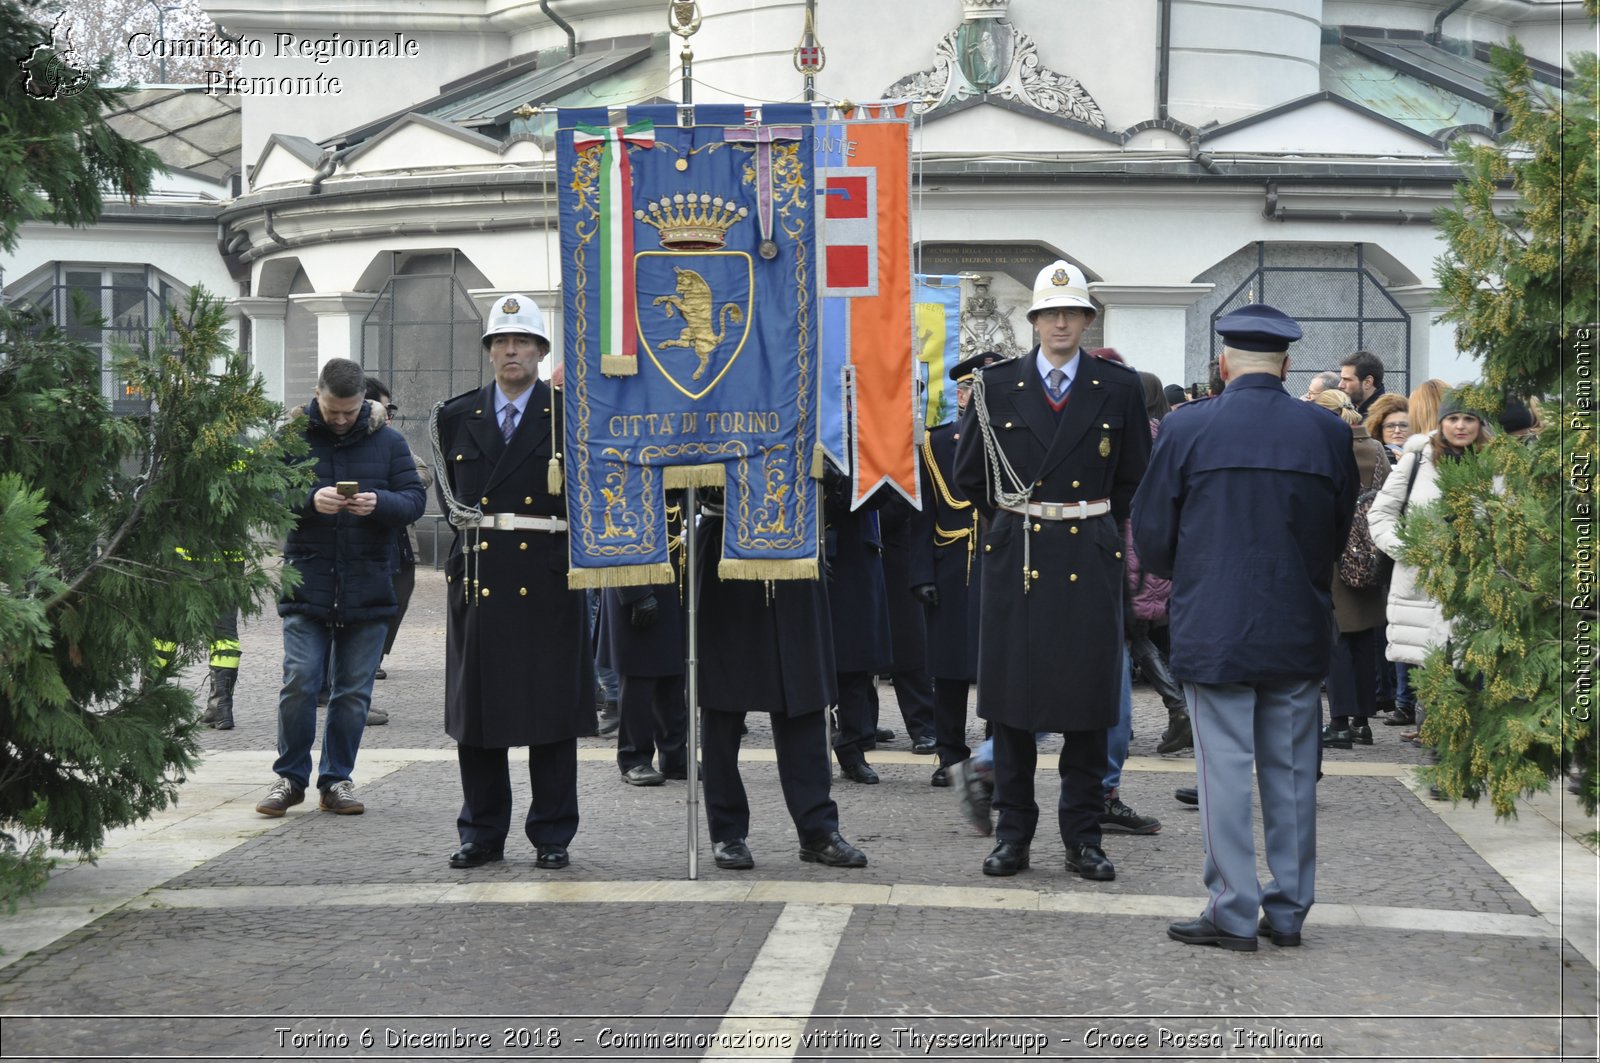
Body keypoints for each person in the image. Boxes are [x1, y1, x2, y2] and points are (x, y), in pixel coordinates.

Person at [1133, 303, 1358, 950]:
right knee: (1290, 774)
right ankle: (1287, 910)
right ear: (1286, 365)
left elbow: (1152, 537)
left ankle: (1233, 910)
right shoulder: (1325, 432)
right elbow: (1338, 531)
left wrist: (1200, 575)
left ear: (1224, 363)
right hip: (1296, 619)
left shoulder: (1186, 429)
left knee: (1224, 772)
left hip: (1215, 622)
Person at [954, 259, 1151, 882]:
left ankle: (1083, 837)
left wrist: (1082, 518)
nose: (1062, 322)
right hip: (1021, 556)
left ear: (1087, 321)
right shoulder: (994, 386)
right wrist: (1023, 517)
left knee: (1088, 712)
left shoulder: (1115, 388)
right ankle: (1013, 835)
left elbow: (1132, 477)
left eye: (1073, 313)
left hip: (1088, 556)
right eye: (1051, 313)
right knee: (1011, 711)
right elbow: (969, 476)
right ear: (1035, 321)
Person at [432, 294, 594, 870]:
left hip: (547, 577)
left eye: (522, 341)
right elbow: (450, 500)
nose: (510, 351)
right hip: (480, 575)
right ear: (489, 352)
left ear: (540, 350)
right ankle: (482, 831)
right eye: (501, 342)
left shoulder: (570, 413)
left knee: (550, 714)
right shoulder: (455, 416)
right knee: (478, 715)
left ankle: (552, 832)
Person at [255, 358, 426, 817]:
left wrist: (379, 503)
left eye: (350, 412)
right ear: (318, 395)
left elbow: (414, 500)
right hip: (307, 581)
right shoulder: (291, 438)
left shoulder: (389, 441)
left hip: (369, 582)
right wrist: (310, 500)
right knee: (300, 682)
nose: (341, 419)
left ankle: (336, 781)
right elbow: (265, 495)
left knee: (353, 693)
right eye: (333, 410)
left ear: (363, 404)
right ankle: (289, 778)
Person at [694, 492, 868, 871]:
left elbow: (843, 478)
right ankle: (727, 831)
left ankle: (818, 830)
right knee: (723, 703)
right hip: (727, 541)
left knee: (802, 694)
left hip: (793, 539)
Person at [1368, 389, 1494, 749]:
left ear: (1479, 424)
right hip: (1425, 585)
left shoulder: (1496, 464)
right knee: (1435, 676)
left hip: (1476, 586)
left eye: (1469, 418)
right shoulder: (1417, 461)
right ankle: (1443, 761)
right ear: (1441, 422)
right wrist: (1408, 549)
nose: (1460, 425)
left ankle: (1468, 758)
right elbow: (1381, 514)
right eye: (1453, 418)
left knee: (1473, 676)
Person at [919, 351, 1003, 793]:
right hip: (951, 568)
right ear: (960, 394)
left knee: (998, 666)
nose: (974, 396)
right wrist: (921, 576)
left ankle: (996, 754)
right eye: (970, 389)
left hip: (1002, 568)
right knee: (948, 671)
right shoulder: (935, 444)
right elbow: (923, 513)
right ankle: (950, 755)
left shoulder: (1014, 438)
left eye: (983, 388)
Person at [1314, 388, 1389, 750]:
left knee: (1338, 637)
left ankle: (1339, 722)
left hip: (1336, 547)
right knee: (1364, 638)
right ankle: (1363, 720)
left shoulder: (1329, 447)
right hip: (1372, 549)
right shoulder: (1375, 449)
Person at [598, 499, 689, 786]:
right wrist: (634, 590)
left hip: (677, 574)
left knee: (675, 672)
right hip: (637, 572)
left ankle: (675, 754)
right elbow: (612, 520)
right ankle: (633, 757)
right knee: (639, 675)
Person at [366, 377, 434, 711]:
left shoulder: (392, 441)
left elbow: (421, 472)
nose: (390, 414)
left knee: (398, 595)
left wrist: (396, 484)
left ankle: (372, 659)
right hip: (364, 544)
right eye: (386, 407)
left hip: (398, 538)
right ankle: (350, 681)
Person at [1338, 350, 1386, 417]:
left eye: (1347, 380)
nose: (1340, 385)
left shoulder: (1385, 417)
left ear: (1367, 382)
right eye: (1341, 379)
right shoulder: (1350, 411)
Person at [1364, 392, 1410, 462]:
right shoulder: (1368, 459)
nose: (1397, 431)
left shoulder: (1422, 458)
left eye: (1403, 425)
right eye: (1390, 426)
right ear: (1379, 430)